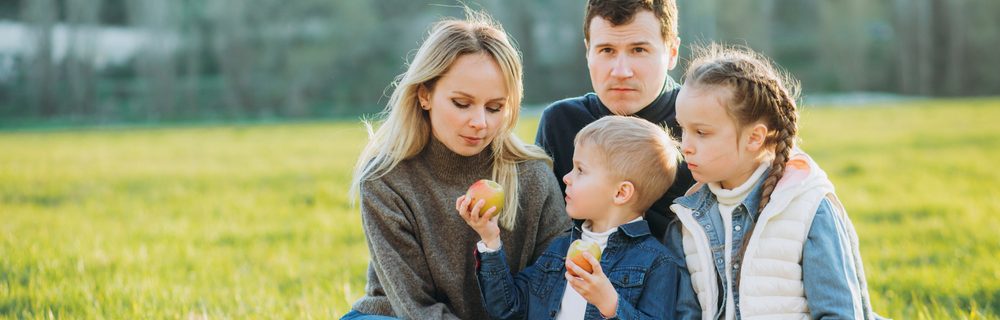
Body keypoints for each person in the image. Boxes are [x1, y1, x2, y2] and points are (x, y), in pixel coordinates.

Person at [343, 11, 571, 320]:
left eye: (495, 108)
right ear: (425, 94)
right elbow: (414, 306)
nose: (479, 123)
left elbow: (556, 289)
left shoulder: (533, 177)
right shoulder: (386, 180)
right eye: (462, 104)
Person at [666, 43, 879, 319]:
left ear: (755, 137)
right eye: (683, 129)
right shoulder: (687, 220)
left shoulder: (809, 208)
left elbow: (840, 312)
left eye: (701, 133)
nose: (686, 146)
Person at [459, 115, 688, 319]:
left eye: (580, 170)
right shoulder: (560, 249)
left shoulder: (657, 263)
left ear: (620, 193)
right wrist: (490, 240)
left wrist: (611, 305)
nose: (567, 178)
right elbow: (508, 308)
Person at [535, 0, 696, 241]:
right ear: (588, 51)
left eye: (639, 50)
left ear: (672, 52)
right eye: (607, 50)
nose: (621, 71)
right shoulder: (560, 123)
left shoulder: (702, 124)